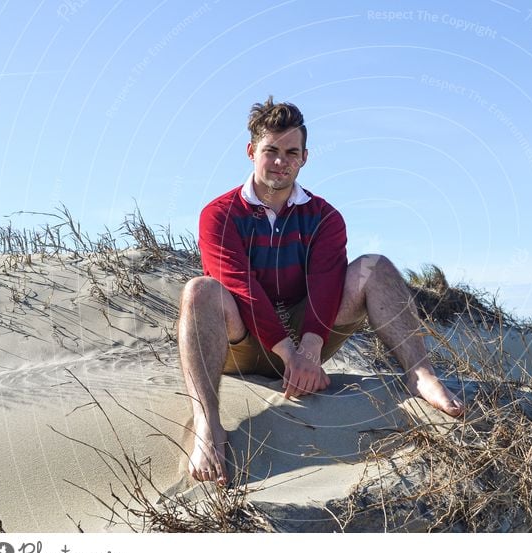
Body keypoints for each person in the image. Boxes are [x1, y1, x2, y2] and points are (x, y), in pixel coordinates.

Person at [178, 96, 464, 485]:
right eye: (271, 151)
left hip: (306, 335)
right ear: (251, 152)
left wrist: (309, 351)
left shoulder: (324, 217)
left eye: (291, 152)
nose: (280, 161)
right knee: (199, 290)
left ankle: (420, 375)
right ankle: (208, 424)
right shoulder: (219, 214)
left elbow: (327, 285)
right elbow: (240, 286)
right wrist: (289, 355)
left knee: (373, 267)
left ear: (305, 158)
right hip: (240, 342)